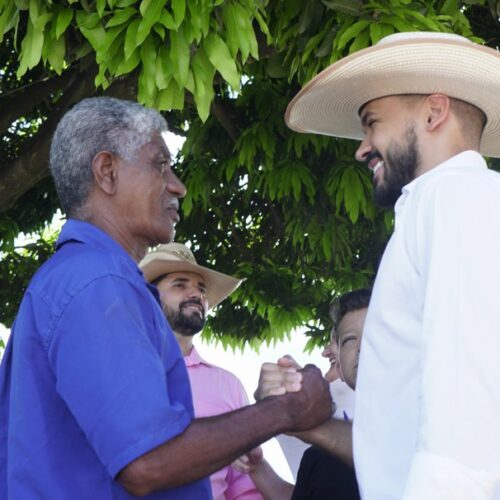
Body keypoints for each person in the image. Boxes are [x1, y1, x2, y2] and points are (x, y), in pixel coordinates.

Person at [0, 96, 333, 499]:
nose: (179, 185)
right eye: (160, 165)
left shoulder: (89, 277)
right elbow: (147, 462)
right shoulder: (97, 281)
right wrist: (285, 411)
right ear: (107, 172)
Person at [285, 31, 500, 498]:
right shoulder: (445, 206)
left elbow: (467, 410)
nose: (362, 148)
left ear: (433, 112)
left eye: (371, 123)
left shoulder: (455, 200)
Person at [140, 242, 263, 500]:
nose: (196, 294)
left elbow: (245, 485)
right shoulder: (118, 372)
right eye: (180, 284)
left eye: (201, 288)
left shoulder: (228, 386)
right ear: (150, 297)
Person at [248, 289, 370, 500]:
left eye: (375, 333)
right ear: (339, 356)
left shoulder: (433, 410)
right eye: (350, 339)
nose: (361, 347)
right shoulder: (318, 460)